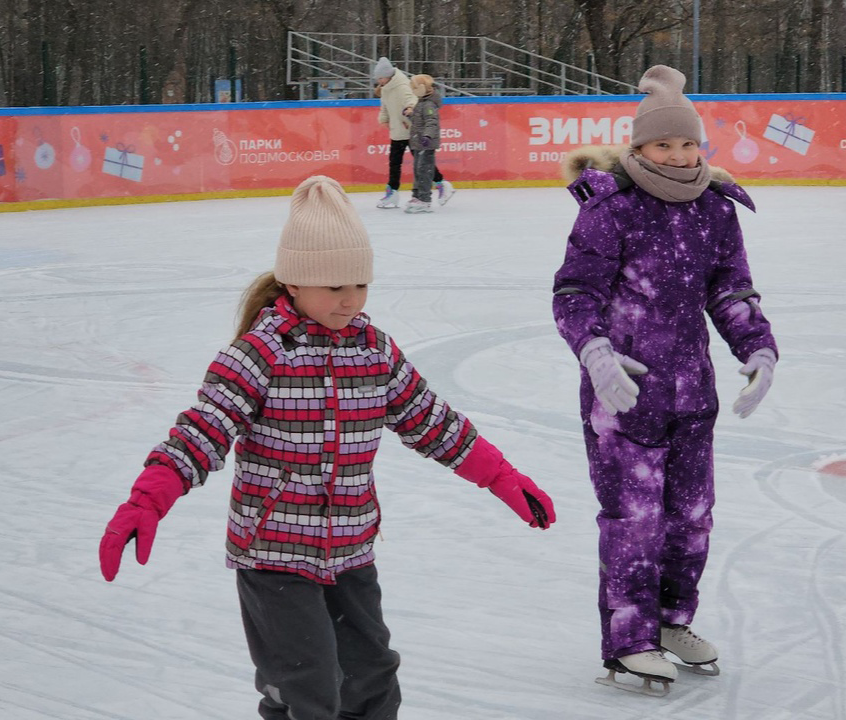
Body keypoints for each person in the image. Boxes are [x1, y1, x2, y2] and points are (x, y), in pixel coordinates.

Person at [100, 175, 555, 719]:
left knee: (373, 680)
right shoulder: (260, 355)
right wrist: (145, 501)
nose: (350, 300)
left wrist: (503, 477)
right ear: (293, 282)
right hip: (273, 553)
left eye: (360, 285)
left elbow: (433, 422)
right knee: (307, 686)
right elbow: (202, 431)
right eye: (334, 286)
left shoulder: (375, 351)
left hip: (350, 549)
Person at [551, 65, 778, 696]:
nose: (678, 156)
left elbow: (730, 290)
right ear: (639, 149)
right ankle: (629, 641)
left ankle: (674, 623)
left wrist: (759, 348)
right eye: (663, 145)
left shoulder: (714, 211)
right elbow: (574, 292)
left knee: (692, 517)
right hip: (623, 395)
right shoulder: (610, 210)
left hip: (692, 393)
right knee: (632, 518)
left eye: (687, 143)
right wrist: (595, 352)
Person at [373, 57, 454, 209]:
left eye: (381, 78)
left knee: (421, 164)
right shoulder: (385, 89)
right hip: (397, 130)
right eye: (378, 79)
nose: (380, 81)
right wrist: (384, 118)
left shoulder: (402, 85)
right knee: (395, 162)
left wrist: (409, 110)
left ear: (389, 76)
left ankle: (441, 184)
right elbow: (384, 106)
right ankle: (393, 192)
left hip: (410, 129)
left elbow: (413, 101)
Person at [404, 74, 445, 214]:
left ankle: (425, 199)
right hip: (418, 143)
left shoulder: (428, 104)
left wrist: (427, 135)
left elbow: (431, 122)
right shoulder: (421, 102)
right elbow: (419, 120)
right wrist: (409, 115)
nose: (412, 90)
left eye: (414, 87)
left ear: (422, 88)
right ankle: (417, 196)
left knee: (424, 171)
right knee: (417, 170)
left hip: (426, 144)